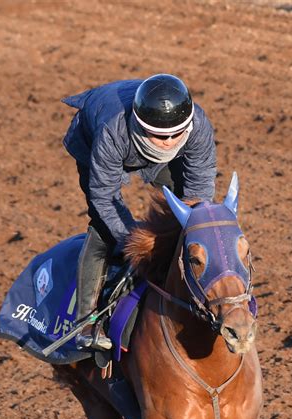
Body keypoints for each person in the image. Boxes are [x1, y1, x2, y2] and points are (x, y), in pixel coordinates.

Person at [62, 74, 217, 350]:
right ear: (141, 125)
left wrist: (187, 228)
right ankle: (85, 322)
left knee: (183, 216)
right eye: (160, 135)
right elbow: (105, 196)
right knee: (102, 227)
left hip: (151, 154)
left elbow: (199, 186)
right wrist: (138, 248)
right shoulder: (113, 131)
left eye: (177, 134)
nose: (169, 141)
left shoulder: (199, 126)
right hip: (93, 141)